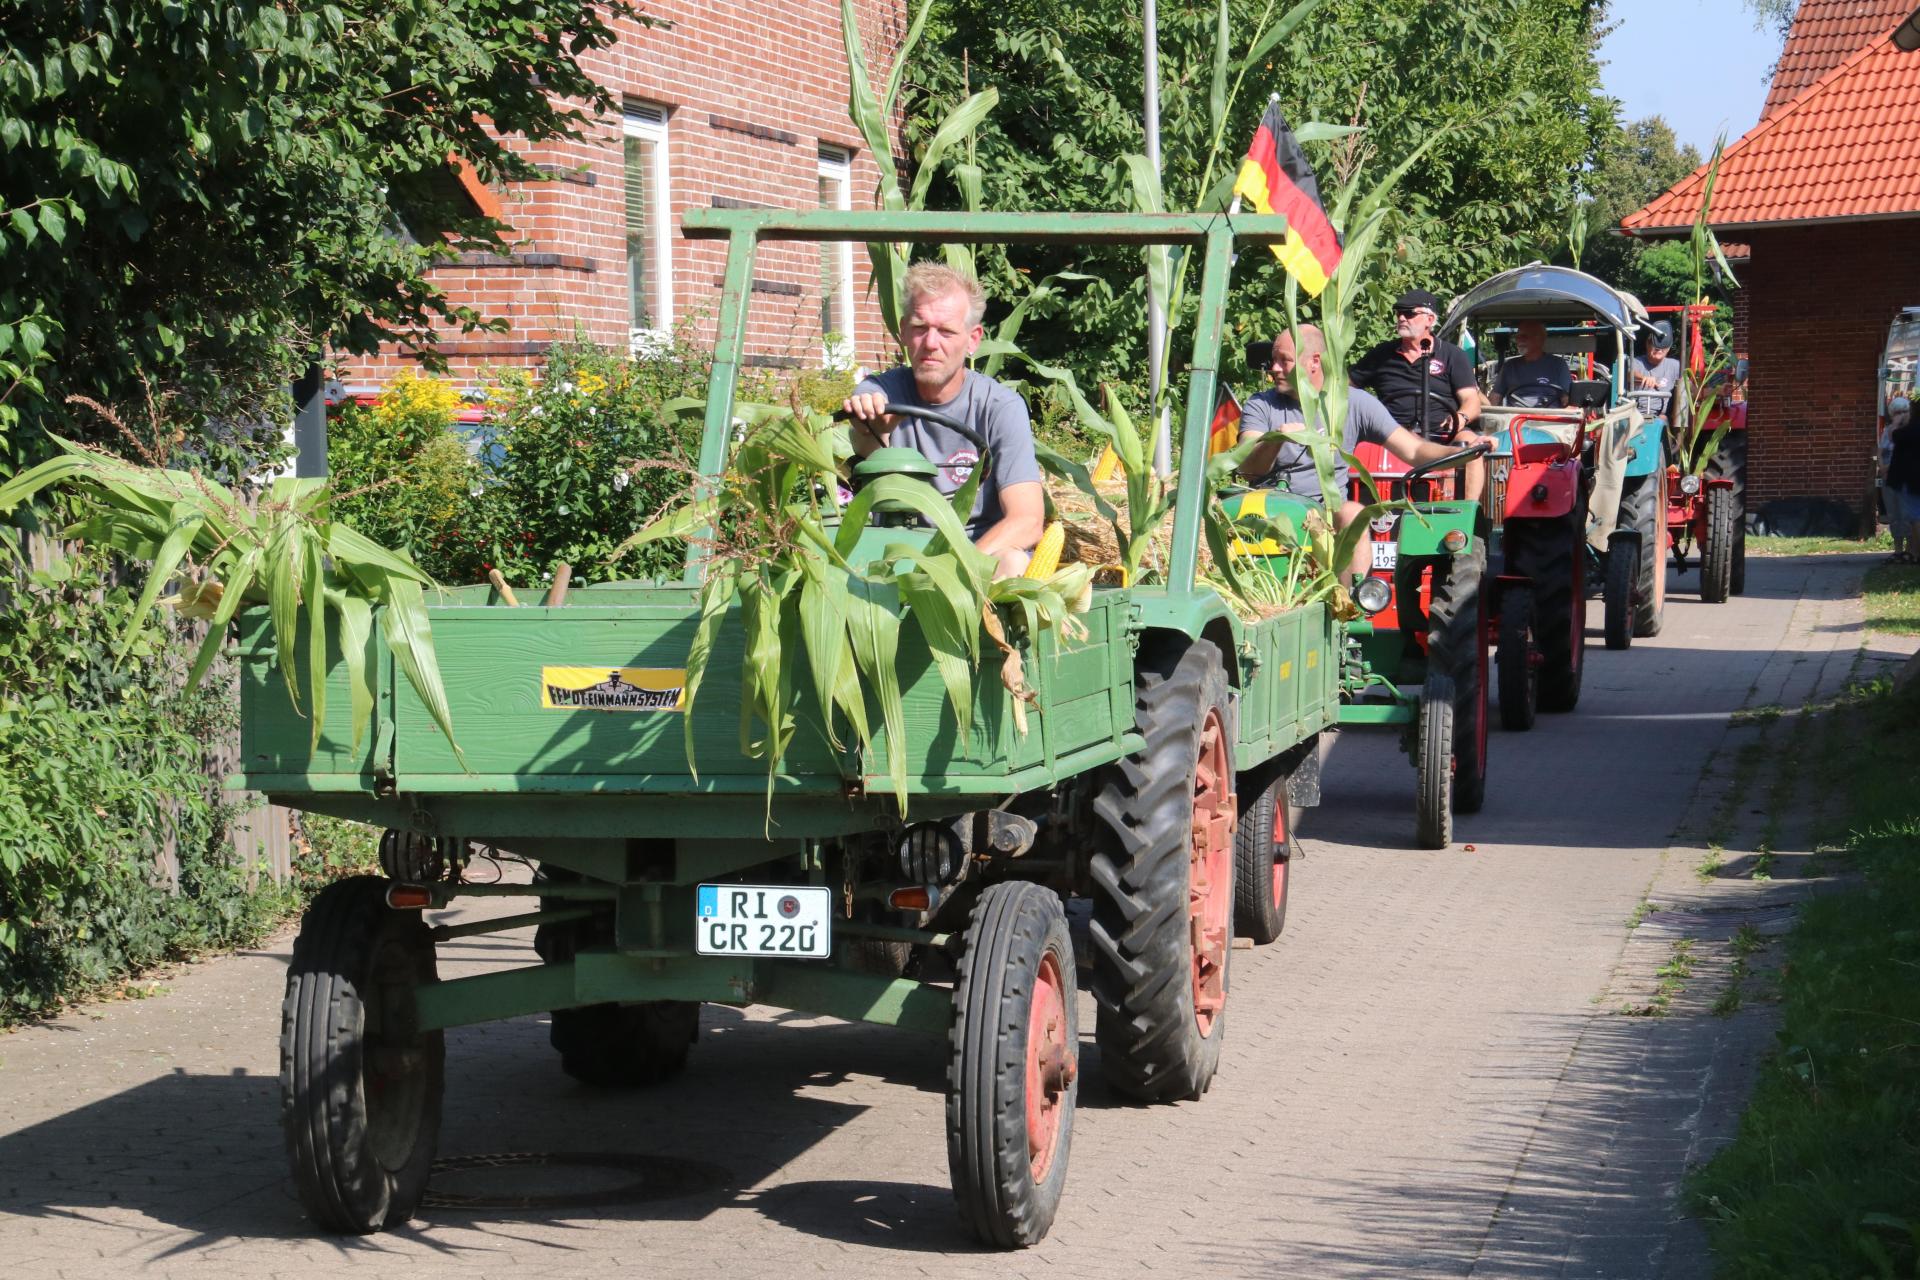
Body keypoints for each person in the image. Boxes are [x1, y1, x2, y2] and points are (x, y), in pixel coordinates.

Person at [843, 263, 1045, 578]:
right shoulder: (881, 392)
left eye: (947, 331)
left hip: (975, 557)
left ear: (972, 339)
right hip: (895, 557)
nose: (931, 343)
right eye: (920, 327)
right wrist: (871, 426)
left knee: (1014, 563)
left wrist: (951, 568)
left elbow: (1027, 520)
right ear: (903, 331)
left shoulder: (999, 407)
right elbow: (865, 432)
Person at [1240, 324, 1484, 578]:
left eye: (1284, 361)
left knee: (1353, 512)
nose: (1274, 368)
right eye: (1274, 360)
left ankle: (1353, 606)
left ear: (1314, 362)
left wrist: (1462, 453)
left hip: (1327, 513)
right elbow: (1248, 468)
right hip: (1272, 513)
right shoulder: (1261, 405)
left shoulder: (1355, 403)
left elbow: (1414, 450)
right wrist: (1276, 439)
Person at [1351, 288, 1485, 500]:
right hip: (1391, 435)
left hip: (1442, 434)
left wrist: (1460, 418)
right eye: (1399, 313)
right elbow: (1345, 388)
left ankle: (1465, 516)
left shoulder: (1452, 355)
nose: (1402, 318)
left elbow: (1471, 401)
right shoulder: (1380, 355)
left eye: (1410, 313)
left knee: (1472, 447)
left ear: (1429, 319)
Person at [1491, 320, 1571, 408]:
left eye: (1524, 336)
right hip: (1516, 417)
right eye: (1517, 337)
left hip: (1550, 417)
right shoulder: (1509, 366)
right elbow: (1495, 397)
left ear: (1540, 339)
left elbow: (1567, 399)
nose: (1519, 340)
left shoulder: (1558, 364)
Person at [1884, 395, 1918, 563]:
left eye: (1904, 411)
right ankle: (1899, 550)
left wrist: (1896, 425)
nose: (1901, 414)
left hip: (1908, 479)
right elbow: (1882, 447)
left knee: (1911, 516)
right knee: (1895, 515)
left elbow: (1894, 438)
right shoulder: (1890, 430)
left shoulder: (1907, 431)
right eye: (1897, 412)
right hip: (1894, 479)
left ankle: (1912, 550)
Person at [1632, 321, 1682, 398]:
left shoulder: (1675, 366)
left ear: (1668, 348)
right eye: (1655, 344)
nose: (1659, 349)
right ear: (1647, 344)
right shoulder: (1636, 362)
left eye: (1663, 345)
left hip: (1666, 410)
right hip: (1638, 409)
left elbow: (1689, 388)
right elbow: (1630, 374)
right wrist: (1644, 378)